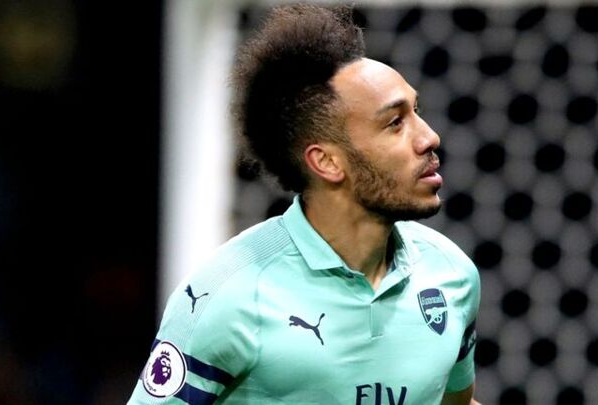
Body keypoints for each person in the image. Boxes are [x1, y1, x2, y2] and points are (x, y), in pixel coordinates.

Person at [128, 4, 481, 404]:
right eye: (395, 123)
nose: (429, 137)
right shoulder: (228, 295)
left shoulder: (451, 274)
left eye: (416, 111)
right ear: (327, 162)